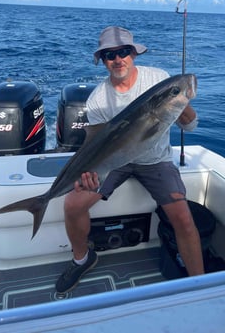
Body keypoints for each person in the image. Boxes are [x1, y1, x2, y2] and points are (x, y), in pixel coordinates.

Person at [55, 26, 204, 294]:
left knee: (183, 216)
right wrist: (89, 174)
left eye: (124, 52)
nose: (118, 59)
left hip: (155, 160)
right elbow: (96, 147)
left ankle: (201, 286)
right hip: (114, 163)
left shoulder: (159, 79)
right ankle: (82, 259)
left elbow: (190, 127)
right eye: (110, 55)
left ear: (134, 53)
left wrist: (182, 100)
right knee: (73, 204)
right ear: (102, 61)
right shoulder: (97, 100)